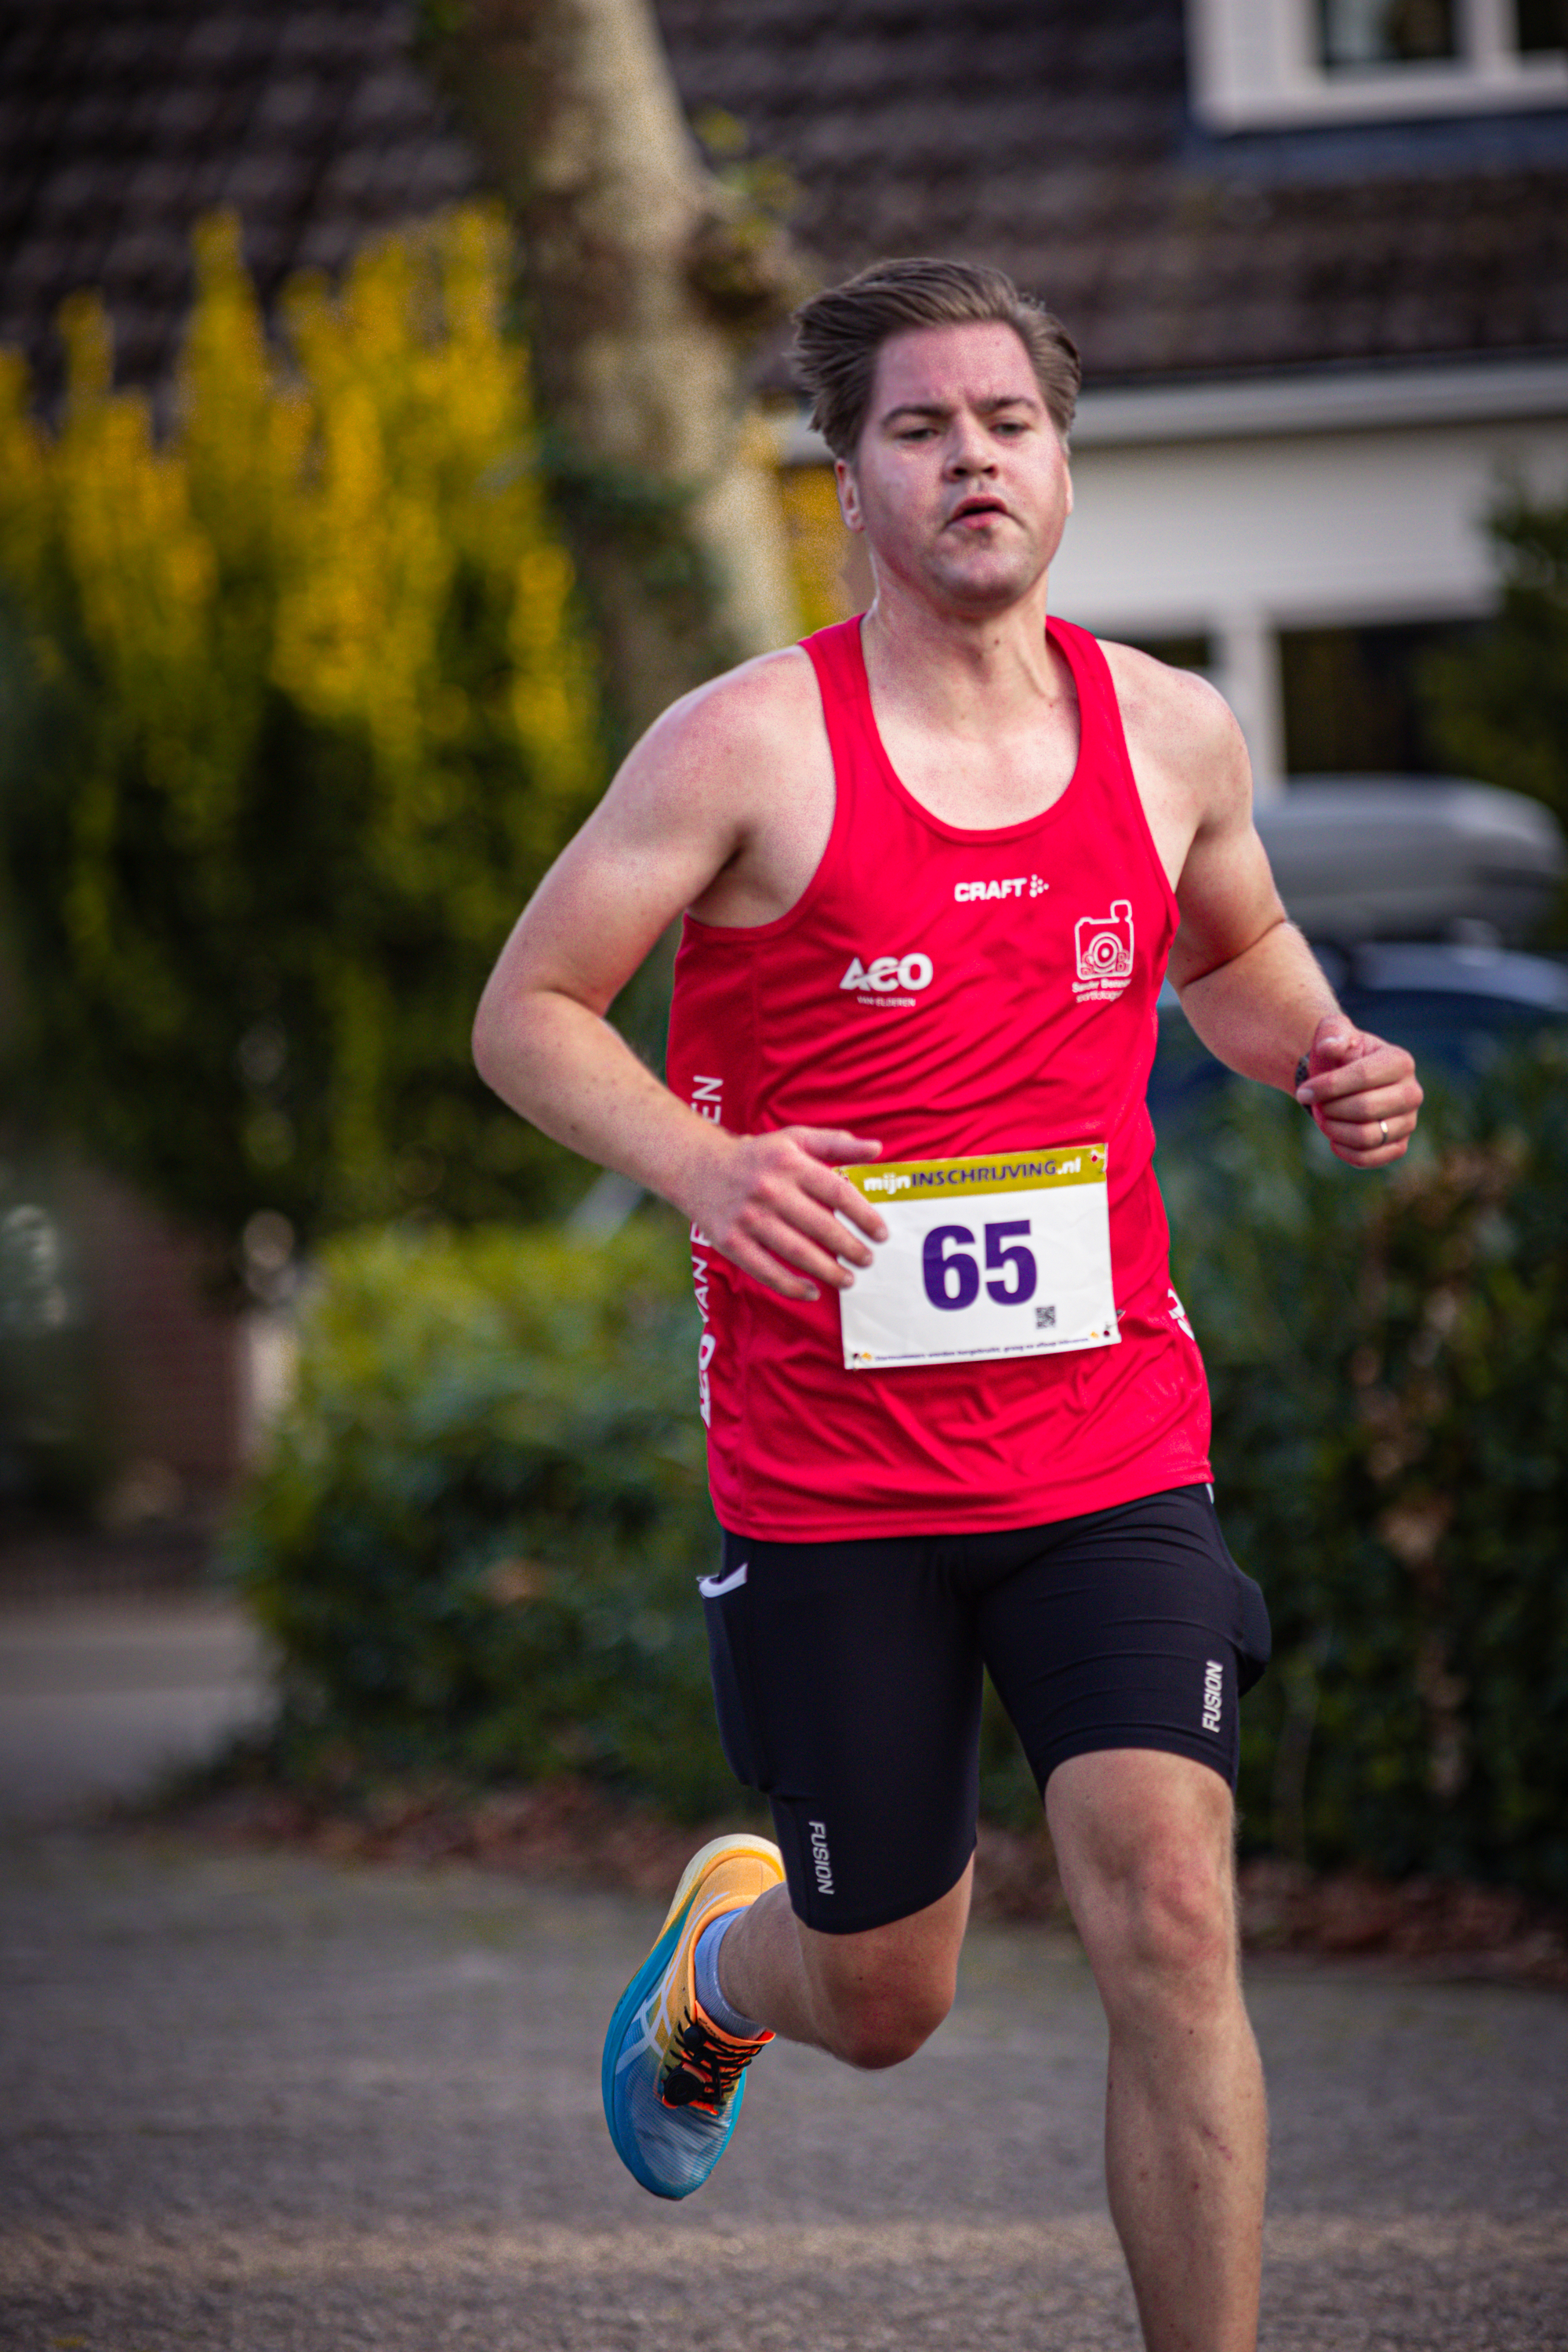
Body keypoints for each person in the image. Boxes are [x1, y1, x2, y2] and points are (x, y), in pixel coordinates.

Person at [472, 256, 1423, 2352]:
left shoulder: (1169, 729)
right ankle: (730, 1972)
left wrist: (1329, 1053)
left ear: (1061, 457)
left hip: (1106, 1444)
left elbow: (1236, 955)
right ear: (847, 475)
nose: (972, 458)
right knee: (889, 2001)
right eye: (920, 426)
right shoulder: (744, 745)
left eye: (1008, 421)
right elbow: (527, 1014)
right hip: (835, 1479)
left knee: (1172, 1909)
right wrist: (704, 1169)